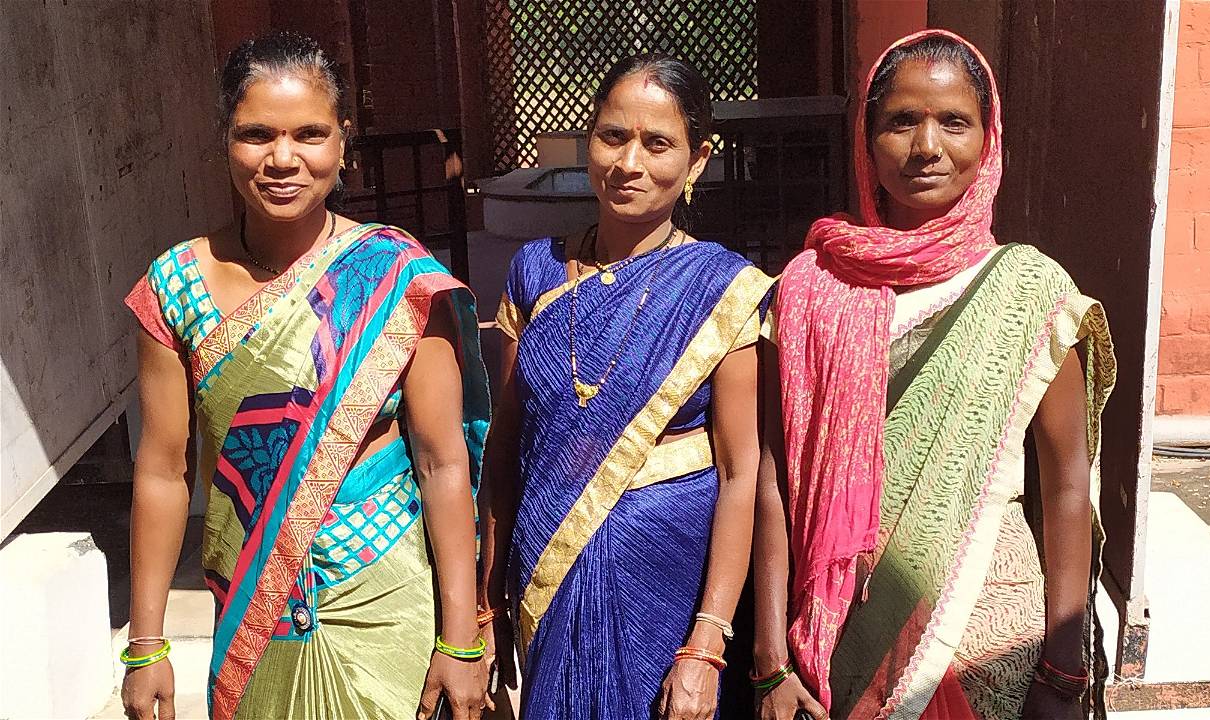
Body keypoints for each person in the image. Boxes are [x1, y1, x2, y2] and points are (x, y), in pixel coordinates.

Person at [120, 31, 492, 720]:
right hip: (255, 610)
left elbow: (444, 463)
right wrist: (147, 646)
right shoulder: (174, 285)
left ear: (343, 144)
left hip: (385, 600)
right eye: (256, 134)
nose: (283, 159)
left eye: (310, 134)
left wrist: (462, 637)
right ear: (225, 139)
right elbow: (162, 471)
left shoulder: (395, 277)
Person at [752, 30, 1116, 720]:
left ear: (989, 139)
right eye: (901, 121)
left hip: (988, 638)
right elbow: (776, 478)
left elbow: (1068, 485)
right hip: (838, 641)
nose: (927, 147)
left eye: (954, 121)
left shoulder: (1031, 292)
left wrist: (1065, 673)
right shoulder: (809, 286)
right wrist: (770, 661)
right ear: (867, 138)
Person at [478, 54, 774, 719]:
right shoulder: (536, 273)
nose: (628, 162)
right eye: (613, 136)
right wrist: (483, 601)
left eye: (657, 143)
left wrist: (707, 643)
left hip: (670, 592)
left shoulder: (720, 289)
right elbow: (506, 448)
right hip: (548, 581)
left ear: (697, 161)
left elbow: (739, 470)